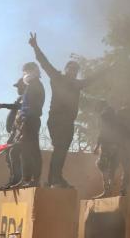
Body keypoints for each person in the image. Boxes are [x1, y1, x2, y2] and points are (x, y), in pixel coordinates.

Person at [28, 32, 97, 188]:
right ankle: (55, 179)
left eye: (75, 70)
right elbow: (44, 63)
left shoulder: (77, 84)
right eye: (71, 68)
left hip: (69, 122)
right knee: (60, 147)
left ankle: (55, 178)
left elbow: (93, 79)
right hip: (57, 119)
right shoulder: (57, 77)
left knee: (62, 149)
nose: (73, 71)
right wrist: (35, 47)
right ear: (66, 69)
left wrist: (109, 69)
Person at [93, 103, 130, 198]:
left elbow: (102, 135)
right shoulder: (114, 122)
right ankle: (114, 189)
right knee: (109, 169)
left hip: (116, 150)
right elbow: (102, 135)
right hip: (115, 149)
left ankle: (113, 189)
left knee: (109, 169)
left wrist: (97, 147)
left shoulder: (116, 123)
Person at [0, 78, 27, 190]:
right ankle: (13, 178)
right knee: (9, 154)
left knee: (14, 153)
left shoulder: (28, 97)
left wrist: (2, 105)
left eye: (20, 86)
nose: (18, 89)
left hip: (22, 131)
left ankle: (18, 179)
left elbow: (18, 108)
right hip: (15, 131)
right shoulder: (20, 98)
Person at [15, 62, 45, 188]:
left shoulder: (36, 85)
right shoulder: (31, 86)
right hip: (27, 120)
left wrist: (25, 119)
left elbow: (32, 106)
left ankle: (34, 179)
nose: (24, 74)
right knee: (25, 150)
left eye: (26, 71)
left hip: (31, 120)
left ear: (33, 71)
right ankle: (25, 178)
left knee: (33, 151)